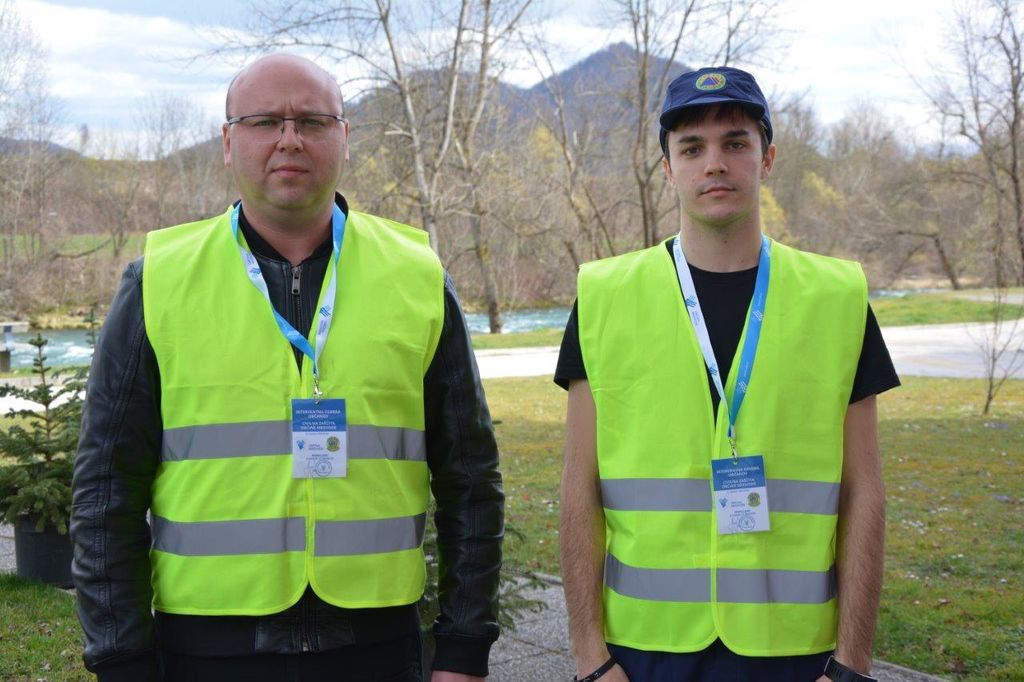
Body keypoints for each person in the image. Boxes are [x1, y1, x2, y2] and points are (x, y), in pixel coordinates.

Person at [70, 53, 503, 682]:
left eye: (313, 122)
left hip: (378, 650)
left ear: (344, 138)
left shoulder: (417, 277)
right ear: (228, 142)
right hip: (206, 653)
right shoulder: (159, 281)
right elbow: (105, 488)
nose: (290, 139)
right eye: (265, 121)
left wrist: (464, 647)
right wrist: (120, 659)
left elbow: (471, 477)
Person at [555, 66, 899, 682]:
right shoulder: (604, 296)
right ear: (668, 167)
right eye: (692, 148)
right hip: (643, 653)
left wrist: (852, 665)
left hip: (796, 653)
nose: (714, 163)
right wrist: (590, 660)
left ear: (767, 158)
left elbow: (864, 490)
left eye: (735, 143)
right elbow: (579, 487)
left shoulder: (837, 298)